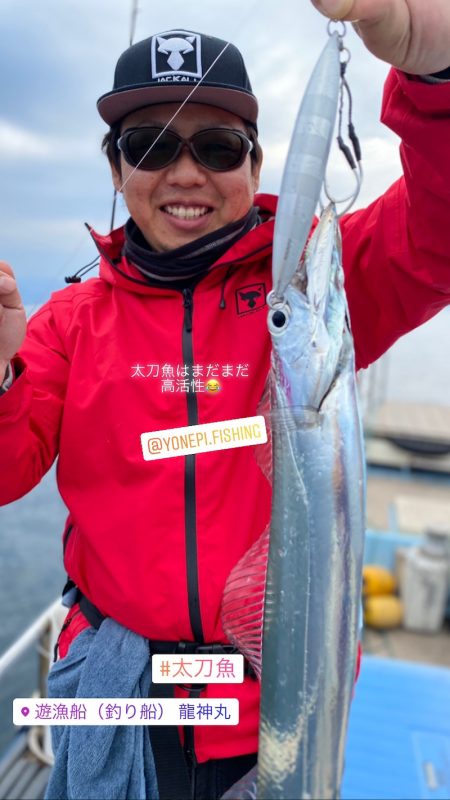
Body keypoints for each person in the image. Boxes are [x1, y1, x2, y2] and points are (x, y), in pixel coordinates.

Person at [1, 2, 450, 798]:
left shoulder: (313, 287)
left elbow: (436, 235)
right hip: (119, 697)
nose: (185, 174)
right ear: (113, 168)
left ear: (255, 162)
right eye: (149, 146)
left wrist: (437, 71)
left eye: (217, 147)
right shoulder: (68, 324)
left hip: (274, 711)